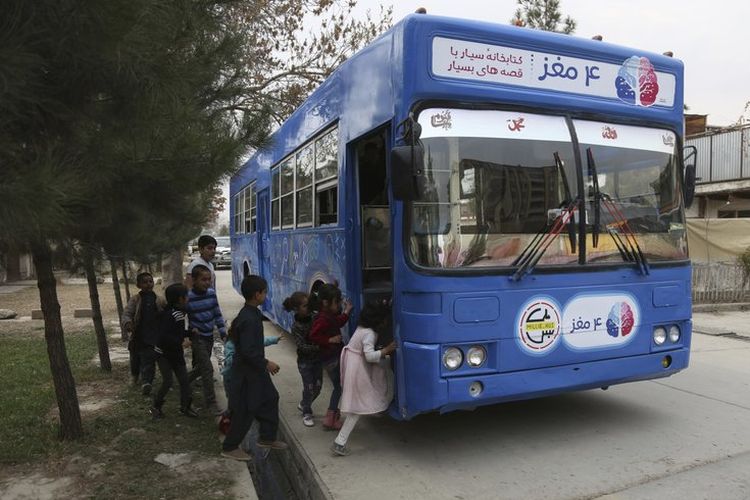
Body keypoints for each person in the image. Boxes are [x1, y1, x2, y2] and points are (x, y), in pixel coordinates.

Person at [221, 275, 288, 461]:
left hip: (255, 370)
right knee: (245, 410)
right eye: (265, 292)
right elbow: (248, 351)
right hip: (246, 373)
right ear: (257, 294)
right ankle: (230, 446)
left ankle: (267, 438)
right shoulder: (249, 319)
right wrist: (266, 363)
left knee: (270, 398)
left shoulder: (252, 314)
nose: (266, 295)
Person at [331, 300, 396, 456]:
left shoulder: (362, 328)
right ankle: (339, 442)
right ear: (379, 321)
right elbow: (369, 357)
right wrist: (386, 350)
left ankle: (341, 440)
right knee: (356, 408)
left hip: (353, 364)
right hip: (357, 369)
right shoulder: (369, 334)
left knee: (359, 402)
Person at [150, 283, 198, 419]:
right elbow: (167, 336)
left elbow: (177, 332)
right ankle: (157, 406)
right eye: (186, 296)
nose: (188, 299)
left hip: (171, 352)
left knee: (183, 380)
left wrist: (189, 333)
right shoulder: (177, 315)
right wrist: (183, 342)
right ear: (180, 299)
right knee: (169, 381)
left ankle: (185, 406)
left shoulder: (171, 312)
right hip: (165, 354)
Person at [308, 283, 352, 430]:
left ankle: (332, 417)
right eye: (337, 302)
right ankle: (330, 418)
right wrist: (329, 340)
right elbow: (313, 336)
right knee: (338, 388)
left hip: (332, 357)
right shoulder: (322, 319)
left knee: (338, 387)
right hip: (331, 359)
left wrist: (346, 313)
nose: (339, 304)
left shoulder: (329, 316)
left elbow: (338, 321)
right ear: (326, 303)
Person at [185, 264, 227, 415]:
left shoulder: (211, 293)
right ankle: (211, 403)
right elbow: (182, 317)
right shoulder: (188, 298)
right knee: (208, 369)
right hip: (197, 338)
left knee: (202, 367)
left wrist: (222, 331)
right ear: (194, 280)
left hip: (209, 336)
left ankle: (184, 381)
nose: (207, 282)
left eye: (209, 279)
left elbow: (217, 313)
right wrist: (188, 332)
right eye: (203, 279)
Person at [122, 272, 165, 395]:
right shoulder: (135, 299)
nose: (148, 284)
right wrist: (128, 323)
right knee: (135, 359)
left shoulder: (158, 299)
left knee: (148, 359)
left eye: (150, 281)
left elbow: (164, 312)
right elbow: (127, 313)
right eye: (144, 282)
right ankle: (135, 375)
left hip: (152, 336)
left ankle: (147, 382)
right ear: (138, 285)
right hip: (138, 336)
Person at [283, 292, 321, 427]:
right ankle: (307, 412)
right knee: (309, 387)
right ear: (296, 309)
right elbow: (302, 346)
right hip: (305, 362)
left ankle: (304, 403)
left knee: (318, 387)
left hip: (317, 360)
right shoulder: (296, 327)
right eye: (305, 306)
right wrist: (319, 346)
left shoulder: (314, 317)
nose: (308, 308)